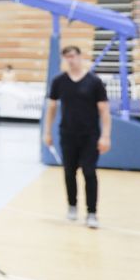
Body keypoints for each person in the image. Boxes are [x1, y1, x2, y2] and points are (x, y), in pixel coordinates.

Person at [43, 45, 110, 229]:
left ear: (80, 56)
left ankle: (92, 212)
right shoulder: (59, 81)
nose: (70, 60)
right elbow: (52, 107)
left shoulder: (94, 82)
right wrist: (47, 132)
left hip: (90, 135)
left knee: (89, 172)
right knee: (69, 172)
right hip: (67, 134)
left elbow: (104, 111)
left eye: (73, 56)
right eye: (67, 57)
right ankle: (72, 205)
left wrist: (105, 136)